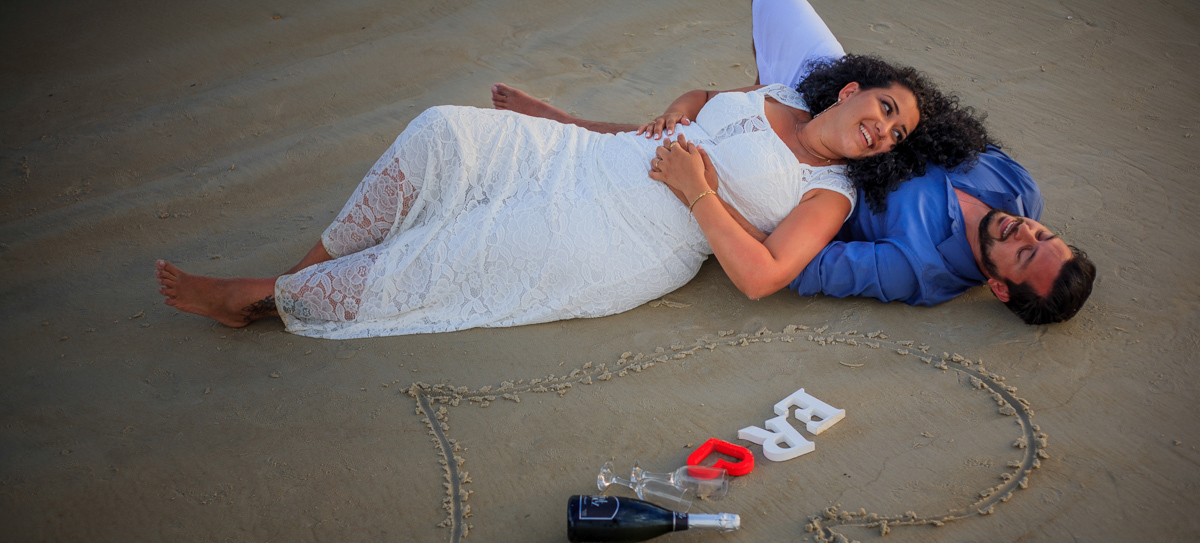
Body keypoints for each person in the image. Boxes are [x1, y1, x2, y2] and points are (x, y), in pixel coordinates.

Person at [157, 48, 980, 338]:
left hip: (629, 239)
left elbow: (763, 277)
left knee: (446, 259)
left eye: (897, 134)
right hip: (591, 162)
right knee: (445, 132)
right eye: (885, 110)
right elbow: (673, 127)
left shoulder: (827, 191)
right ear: (853, 91)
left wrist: (701, 196)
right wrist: (565, 119)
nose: (883, 131)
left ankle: (263, 297)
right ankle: (301, 277)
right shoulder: (773, 98)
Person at [496, 0, 1096, 324]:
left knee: (704, 144)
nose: (1023, 228)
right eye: (1042, 234)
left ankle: (568, 126)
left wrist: (709, 188)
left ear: (997, 286)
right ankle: (761, 91)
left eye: (1022, 252)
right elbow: (943, 128)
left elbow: (795, 267)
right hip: (855, 114)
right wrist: (875, 114)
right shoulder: (1020, 189)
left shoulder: (918, 272)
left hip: (816, 170)